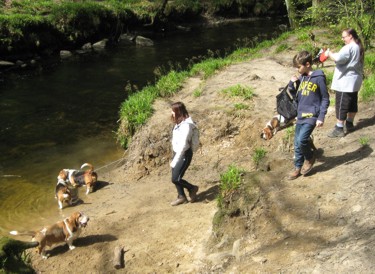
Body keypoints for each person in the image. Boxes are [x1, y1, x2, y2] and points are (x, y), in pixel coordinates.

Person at [287, 51, 330, 180]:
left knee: (302, 140)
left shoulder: (319, 78)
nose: (297, 69)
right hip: (300, 115)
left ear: (307, 64)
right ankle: (297, 167)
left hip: (312, 115)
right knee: (297, 143)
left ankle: (310, 157)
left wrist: (321, 116)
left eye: (298, 67)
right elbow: (295, 96)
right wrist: (291, 84)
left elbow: (325, 98)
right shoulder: (302, 78)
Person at [326, 28, 364, 137]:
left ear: (350, 36)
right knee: (352, 103)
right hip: (354, 81)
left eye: (344, 37)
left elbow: (339, 59)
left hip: (345, 82)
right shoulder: (358, 47)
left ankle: (339, 128)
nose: (342, 39)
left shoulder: (349, 47)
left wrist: (329, 54)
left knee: (341, 105)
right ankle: (350, 123)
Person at [169, 102, 199, 206]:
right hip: (177, 153)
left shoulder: (187, 125)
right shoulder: (179, 122)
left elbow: (183, 145)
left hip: (184, 154)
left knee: (175, 178)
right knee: (176, 176)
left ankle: (192, 188)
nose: (171, 113)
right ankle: (181, 197)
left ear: (178, 111)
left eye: (173, 111)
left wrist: (175, 160)